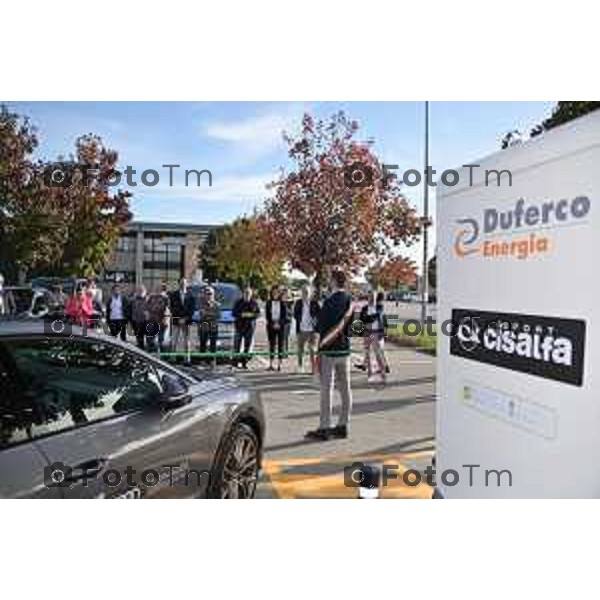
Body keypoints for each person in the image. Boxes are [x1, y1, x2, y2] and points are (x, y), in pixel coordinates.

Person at [306, 270, 354, 441]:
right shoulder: (349, 300)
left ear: (334, 281)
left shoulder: (329, 301)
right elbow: (352, 327)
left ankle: (324, 427)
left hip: (328, 350)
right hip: (344, 349)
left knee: (326, 390)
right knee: (345, 389)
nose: (328, 281)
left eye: (330, 280)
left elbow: (320, 325)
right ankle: (343, 425)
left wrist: (314, 343)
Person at [360, 290, 389, 385]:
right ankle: (369, 374)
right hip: (367, 333)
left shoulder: (379, 307)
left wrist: (368, 318)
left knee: (378, 354)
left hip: (376, 333)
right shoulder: (364, 308)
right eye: (370, 296)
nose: (371, 298)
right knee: (367, 354)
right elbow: (362, 319)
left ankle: (383, 375)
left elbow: (377, 316)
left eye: (373, 296)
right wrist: (369, 319)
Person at [293, 284, 320, 373]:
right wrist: (299, 319)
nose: (305, 294)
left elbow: (319, 315)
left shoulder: (315, 303)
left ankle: (313, 368)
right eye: (304, 292)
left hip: (312, 330)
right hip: (301, 329)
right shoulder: (298, 303)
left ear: (310, 293)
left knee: (312, 349)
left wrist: (315, 320)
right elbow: (295, 314)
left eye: (307, 292)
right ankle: (300, 366)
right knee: (300, 349)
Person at [232, 286, 260, 369]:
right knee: (237, 346)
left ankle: (244, 363)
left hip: (250, 327)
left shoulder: (254, 303)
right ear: (243, 294)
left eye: (249, 293)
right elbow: (234, 313)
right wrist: (242, 315)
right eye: (246, 293)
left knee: (247, 346)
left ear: (251, 294)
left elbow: (258, 314)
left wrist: (250, 315)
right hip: (239, 327)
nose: (247, 295)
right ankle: (235, 363)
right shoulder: (238, 302)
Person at [168, 278, 196, 355]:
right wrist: (179, 318)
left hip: (187, 321)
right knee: (174, 340)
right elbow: (171, 308)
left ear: (186, 284)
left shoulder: (191, 296)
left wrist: (185, 318)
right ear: (179, 284)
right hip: (176, 321)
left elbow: (192, 310)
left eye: (184, 283)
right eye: (181, 283)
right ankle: (172, 358)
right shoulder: (173, 295)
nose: (183, 284)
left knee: (187, 341)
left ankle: (187, 359)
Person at [265, 285, 290, 371]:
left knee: (280, 345)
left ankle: (279, 364)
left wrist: (279, 323)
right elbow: (267, 316)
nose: (275, 293)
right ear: (271, 293)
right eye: (273, 292)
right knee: (272, 345)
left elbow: (285, 316)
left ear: (279, 293)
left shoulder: (283, 303)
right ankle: (271, 364)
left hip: (281, 326)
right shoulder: (268, 303)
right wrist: (273, 323)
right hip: (271, 326)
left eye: (277, 292)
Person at [198, 286, 221, 365]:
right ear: (204, 294)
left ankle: (212, 360)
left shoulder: (217, 304)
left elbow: (218, 315)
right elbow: (201, 314)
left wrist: (207, 314)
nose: (208, 295)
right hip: (203, 327)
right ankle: (202, 360)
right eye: (207, 293)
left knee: (213, 345)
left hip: (213, 327)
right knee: (203, 344)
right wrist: (211, 314)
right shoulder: (201, 304)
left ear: (213, 294)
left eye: (210, 293)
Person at [146, 285, 170, 352]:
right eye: (156, 288)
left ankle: (162, 357)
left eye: (159, 289)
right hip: (151, 321)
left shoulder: (165, 298)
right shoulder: (151, 297)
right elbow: (147, 307)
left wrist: (166, 318)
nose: (157, 290)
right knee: (150, 339)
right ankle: (150, 354)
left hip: (162, 321)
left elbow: (168, 309)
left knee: (161, 340)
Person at [130, 285, 149, 349]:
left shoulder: (148, 299)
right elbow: (130, 309)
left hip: (146, 321)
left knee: (148, 337)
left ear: (145, 291)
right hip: (136, 321)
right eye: (139, 290)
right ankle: (141, 349)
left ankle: (148, 350)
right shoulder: (133, 299)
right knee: (139, 337)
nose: (140, 292)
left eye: (142, 290)